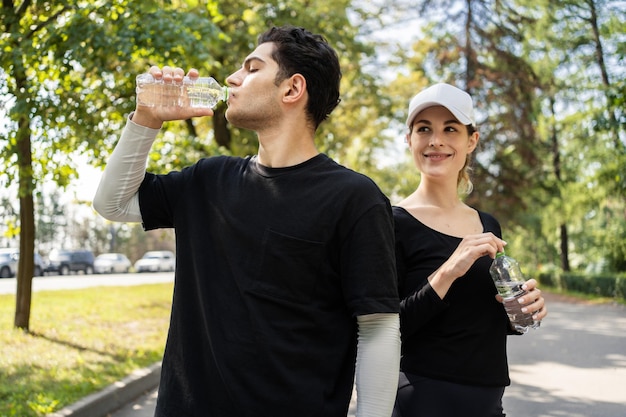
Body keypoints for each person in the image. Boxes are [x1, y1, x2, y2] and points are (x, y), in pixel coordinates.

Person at [93, 25, 400, 417]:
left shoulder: (354, 197)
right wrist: (146, 119)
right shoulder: (207, 179)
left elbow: (377, 326)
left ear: (292, 89)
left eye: (252, 68)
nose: (232, 78)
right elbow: (112, 204)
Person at [391, 83, 548, 417]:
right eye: (424, 129)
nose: (436, 140)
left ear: (471, 141)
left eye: (450, 128)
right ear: (409, 141)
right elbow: (388, 328)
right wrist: (449, 271)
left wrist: (521, 312)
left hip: (488, 399)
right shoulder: (391, 223)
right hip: (423, 398)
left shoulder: (487, 224)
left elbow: (482, 320)